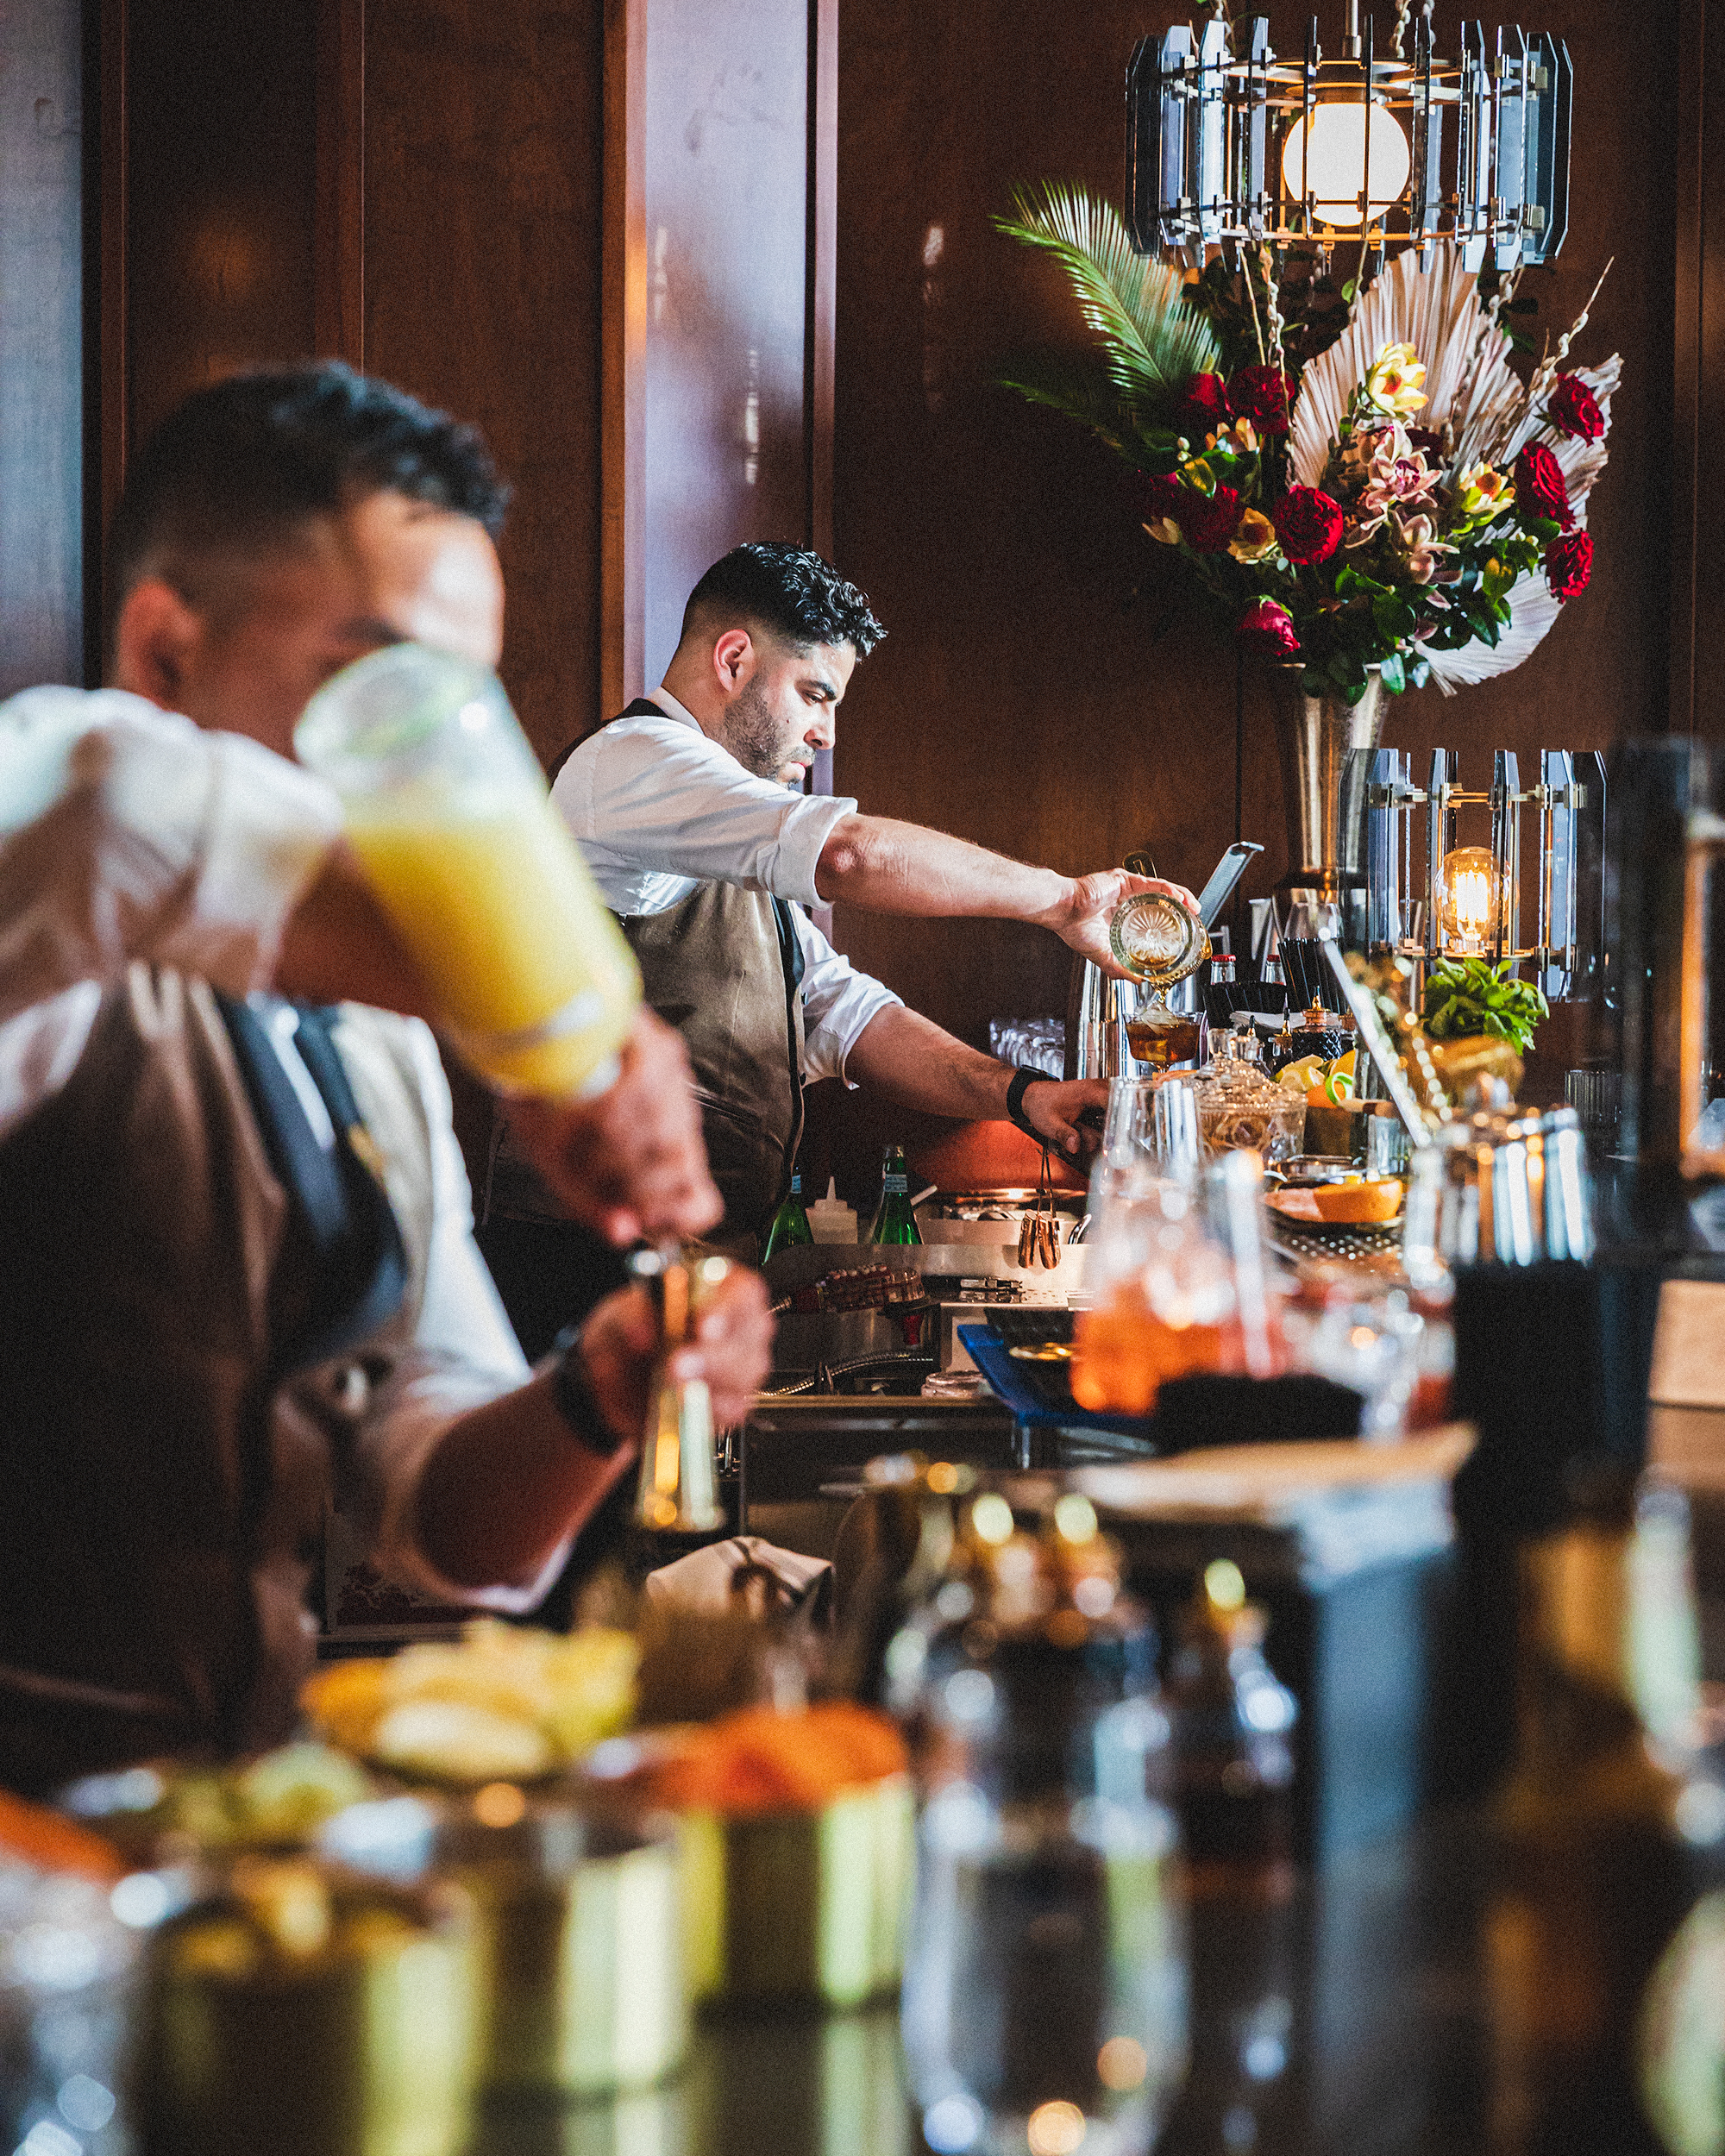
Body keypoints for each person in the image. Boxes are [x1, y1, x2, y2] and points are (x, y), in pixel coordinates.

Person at [0, 364, 770, 1795]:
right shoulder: (37, 881)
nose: (427, 772)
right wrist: (565, 1032)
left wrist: (601, 1391)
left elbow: (445, 1525)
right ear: (165, 651)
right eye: (381, 689)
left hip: (220, 1843)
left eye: (459, 713)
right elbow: (114, 806)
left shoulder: (375, 1042)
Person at [481, 542, 1197, 1322]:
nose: (825, 733)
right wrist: (1064, 902)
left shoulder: (724, 830)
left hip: (688, 1259)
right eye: (815, 694)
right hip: (581, 1260)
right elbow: (851, 854)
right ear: (732, 659)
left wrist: (1023, 1095)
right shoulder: (629, 763)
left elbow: (843, 1012)